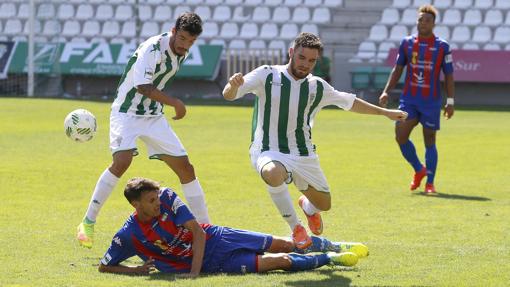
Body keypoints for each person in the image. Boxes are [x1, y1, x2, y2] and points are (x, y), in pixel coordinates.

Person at [222, 32, 408, 249]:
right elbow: (229, 94)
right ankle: (296, 228)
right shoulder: (267, 74)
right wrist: (233, 85)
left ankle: (309, 208)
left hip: (303, 153)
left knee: (324, 204)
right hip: (267, 149)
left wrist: (385, 113)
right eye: (301, 57)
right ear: (291, 53)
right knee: (273, 173)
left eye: (311, 61)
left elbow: (349, 102)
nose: (305, 64)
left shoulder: (317, 86)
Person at [77, 12, 210, 249]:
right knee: (122, 161)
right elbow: (142, 86)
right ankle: (88, 221)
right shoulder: (152, 48)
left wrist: (165, 104)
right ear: (173, 30)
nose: (185, 44)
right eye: (182, 38)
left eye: (191, 41)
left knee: (186, 168)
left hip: (153, 116)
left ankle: (205, 229)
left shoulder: (182, 51)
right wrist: (176, 103)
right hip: (126, 112)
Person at [98, 177, 369, 277]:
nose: (157, 203)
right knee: (282, 261)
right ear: (136, 205)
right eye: (150, 201)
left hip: (216, 239)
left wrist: (193, 274)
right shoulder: (128, 235)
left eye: (156, 198)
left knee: (285, 243)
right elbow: (104, 265)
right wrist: (135, 269)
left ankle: (335, 244)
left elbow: (198, 232)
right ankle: (330, 258)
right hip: (213, 264)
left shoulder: (167, 197)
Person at [378, 5, 455, 195]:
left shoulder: (442, 46)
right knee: (400, 135)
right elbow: (398, 69)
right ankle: (418, 169)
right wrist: (386, 91)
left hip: (431, 101)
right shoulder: (407, 43)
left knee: (429, 140)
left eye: (427, 20)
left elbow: (449, 75)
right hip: (409, 100)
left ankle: (430, 182)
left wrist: (450, 101)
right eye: (420, 20)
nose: (423, 23)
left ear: (433, 23)